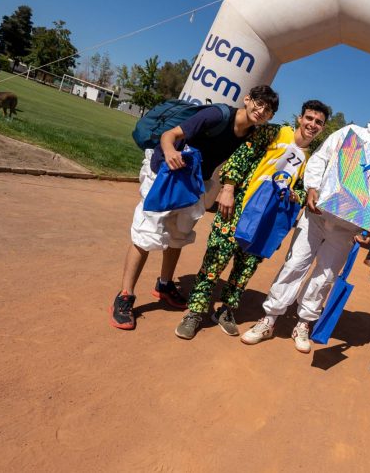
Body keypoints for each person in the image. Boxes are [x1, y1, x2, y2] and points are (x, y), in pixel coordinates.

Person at [240, 100, 370, 352]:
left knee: (325, 277)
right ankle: (269, 318)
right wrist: (313, 188)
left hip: (347, 229)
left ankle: (304, 323)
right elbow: (319, 160)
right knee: (295, 264)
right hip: (317, 215)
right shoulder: (350, 133)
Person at [109, 85, 279, 330]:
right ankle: (125, 295)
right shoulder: (217, 115)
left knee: (179, 234)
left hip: (195, 181)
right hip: (166, 173)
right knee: (146, 233)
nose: (261, 111)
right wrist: (168, 152)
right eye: (259, 103)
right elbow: (170, 135)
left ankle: (165, 285)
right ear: (247, 99)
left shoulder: (252, 134)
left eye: (268, 110)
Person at [174, 100, 330, 340]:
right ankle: (195, 311)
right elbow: (241, 156)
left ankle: (226, 309)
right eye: (309, 118)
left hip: (267, 221)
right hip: (239, 207)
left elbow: (303, 190)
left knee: (245, 268)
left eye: (318, 122)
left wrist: (294, 194)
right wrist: (228, 188)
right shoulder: (275, 132)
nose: (312, 124)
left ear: (323, 127)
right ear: (300, 118)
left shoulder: (313, 159)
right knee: (216, 259)